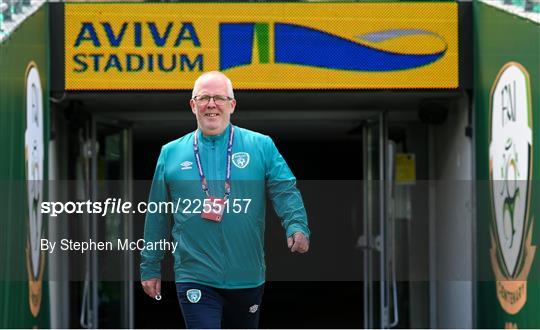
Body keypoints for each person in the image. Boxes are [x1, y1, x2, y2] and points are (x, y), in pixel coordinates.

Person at [140, 71, 310, 329]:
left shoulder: (261, 146)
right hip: (194, 275)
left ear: (232, 105)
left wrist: (296, 225)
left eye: (219, 98)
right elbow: (158, 213)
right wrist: (150, 265)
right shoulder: (171, 153)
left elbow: (283, 189)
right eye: (204, 98)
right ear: (192, 105)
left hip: (247, 276)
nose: (211, 104)